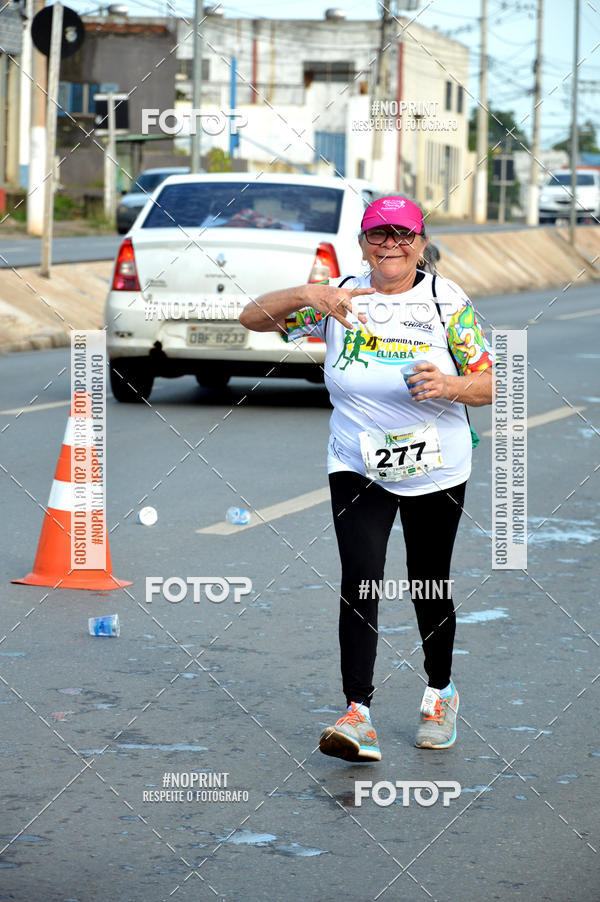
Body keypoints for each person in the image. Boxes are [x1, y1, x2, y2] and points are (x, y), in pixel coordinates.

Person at [239, 196, 494, 761]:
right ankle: (358, 713)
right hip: (357, 462)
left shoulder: (446, 302)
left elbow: (492, 384)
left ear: (421, 243)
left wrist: (450, 386)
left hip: (437, 464)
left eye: (403, 235)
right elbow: (252, 318)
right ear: (362, 243)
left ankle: (440, 691)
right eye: (379, 235)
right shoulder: (341, 297)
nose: (391, 246)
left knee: (429, 580)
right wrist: (308, 294)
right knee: (361, 578)